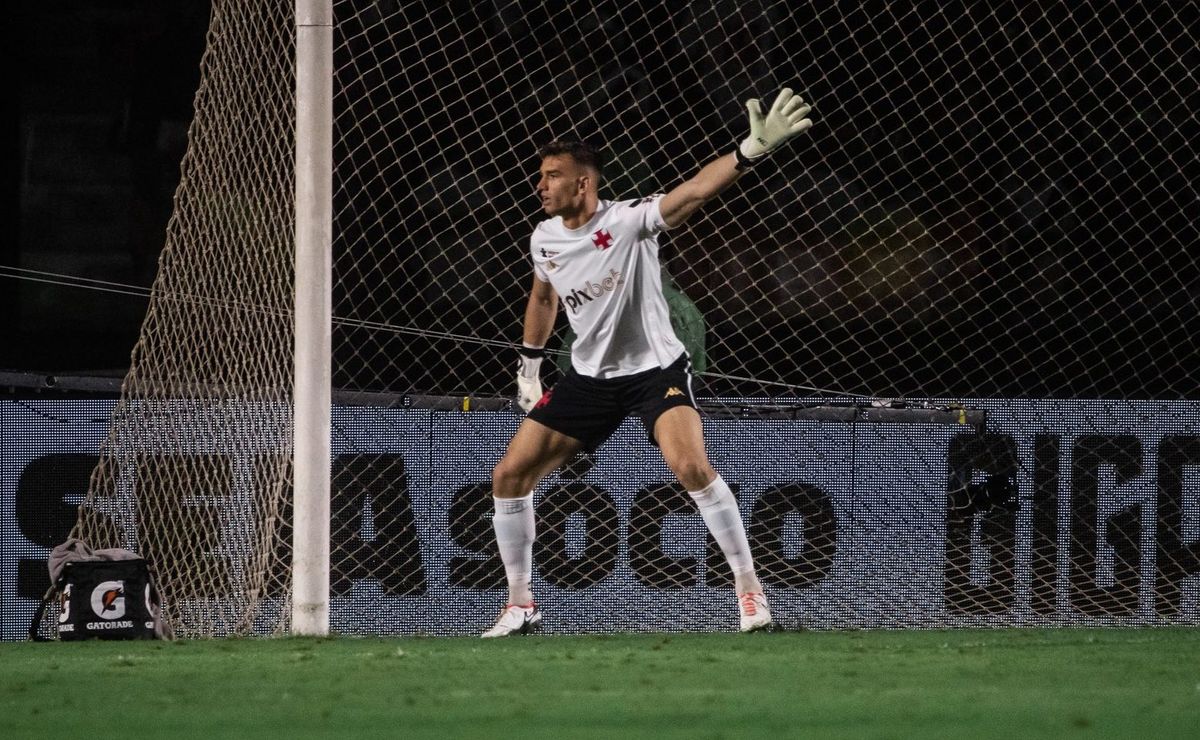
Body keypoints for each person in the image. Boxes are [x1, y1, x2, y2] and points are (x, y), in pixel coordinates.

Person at [483, 89, 815, 637]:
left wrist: (748, 152)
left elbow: (691, 194)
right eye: (539, 176)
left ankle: (750, 594)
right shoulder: (543, 237)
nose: (539, 185)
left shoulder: (629, 221)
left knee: (691, 469)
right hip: (587, 378)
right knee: (509, 476)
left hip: (654, 372)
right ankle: (520, 605)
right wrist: (529, 367)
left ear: (583, 183)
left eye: (550, 175)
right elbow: (543, 298)